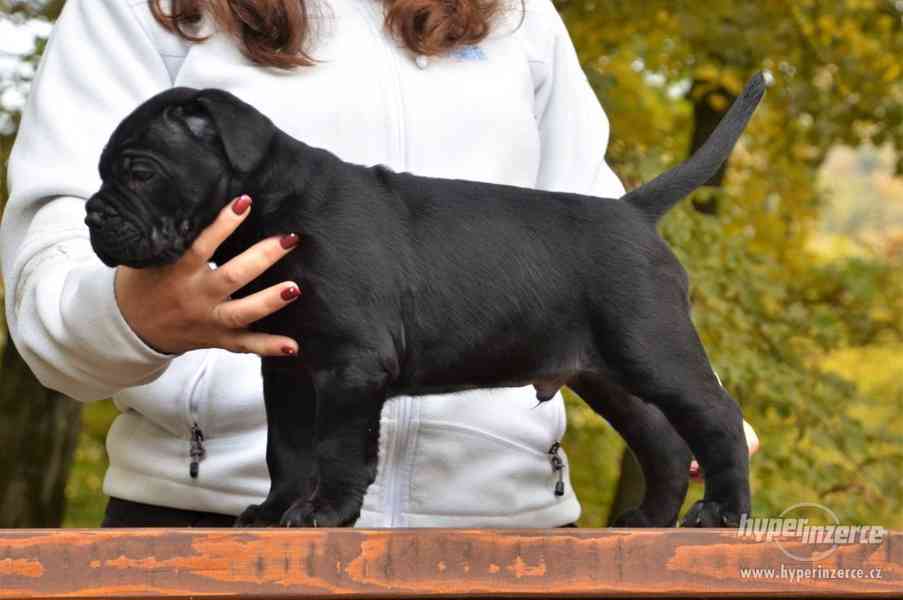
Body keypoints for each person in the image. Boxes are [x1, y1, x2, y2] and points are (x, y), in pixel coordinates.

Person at [1, 0, 754, 528]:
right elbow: (52, 281)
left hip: (502, 528)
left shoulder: (516, 12)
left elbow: (593, 236)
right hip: (205, 520)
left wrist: (697, 396)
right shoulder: (142, 8)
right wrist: (134, 316)